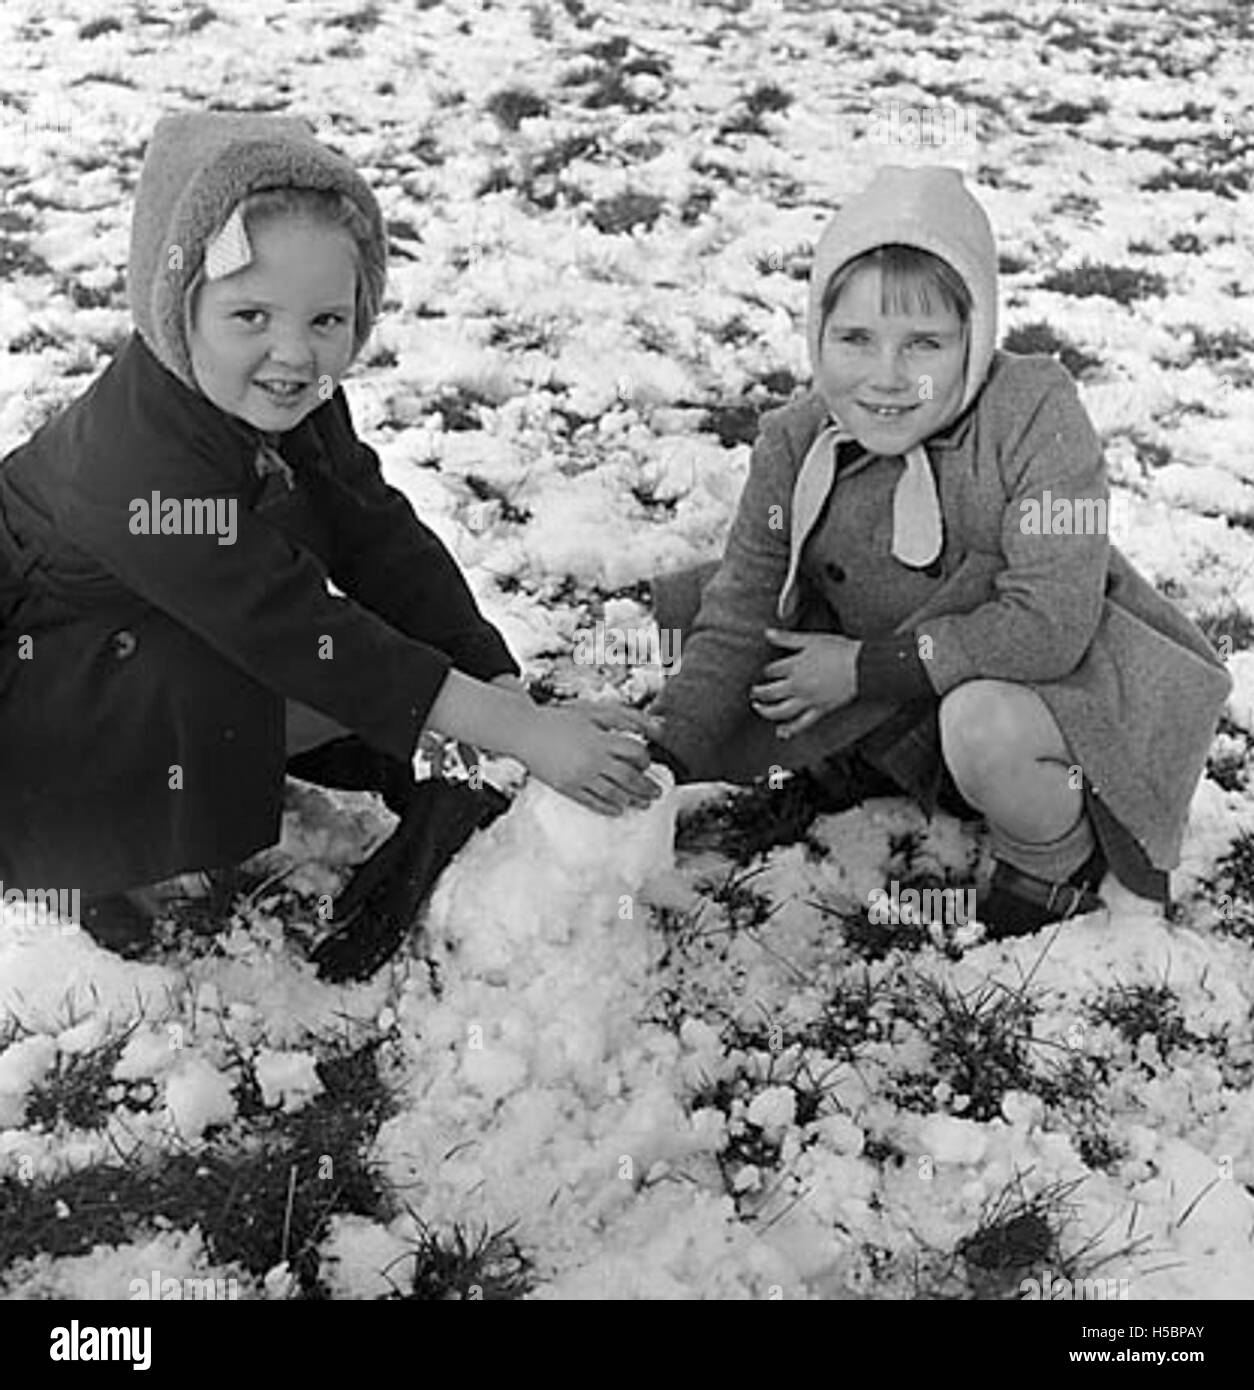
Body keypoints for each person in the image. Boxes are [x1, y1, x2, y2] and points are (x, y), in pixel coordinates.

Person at [0, 112, 662, 972]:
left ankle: (440, 771)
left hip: (134, 641)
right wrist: (517, 730)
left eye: (326, 320)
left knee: (333, 633)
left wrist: (503, 690)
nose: (294, 353)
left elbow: (376, 533)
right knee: (247, 664)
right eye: (250, 315)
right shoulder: (137, 463)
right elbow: (293, 627)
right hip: (37, 703)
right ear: (177, 310)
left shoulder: (293, 395)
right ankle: (92, 853)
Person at [647, 165, 1232, 939]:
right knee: (714, 638)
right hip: (906, 672)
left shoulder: (1034, 416)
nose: (887, 378)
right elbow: (743, 604)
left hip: (1053, 690)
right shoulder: (795, 442)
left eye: (924, 342)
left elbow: (1049, 624)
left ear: (976, 338)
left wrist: (861, 668)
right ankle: (888, 758)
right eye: (855, 338)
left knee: (982, 723)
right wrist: (664, 764)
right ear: (816, 333)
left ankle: (1052, 860)